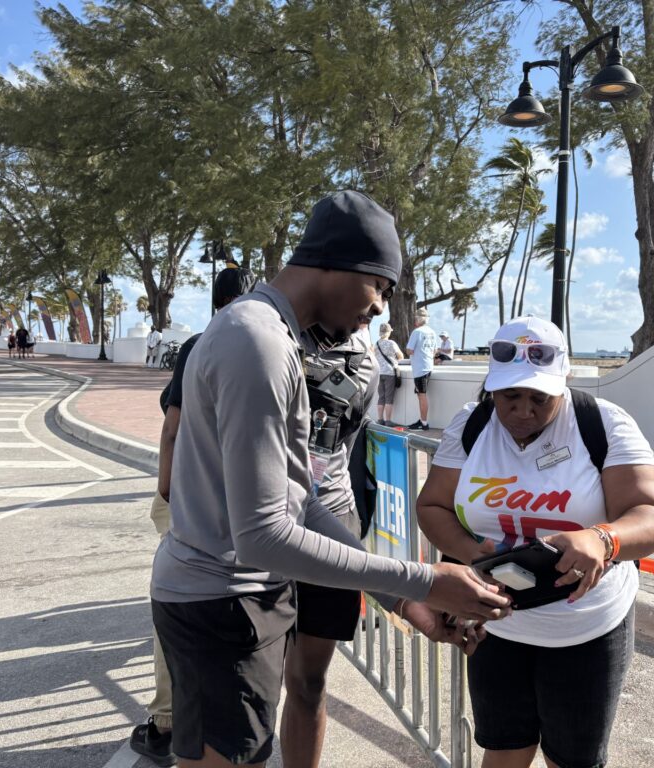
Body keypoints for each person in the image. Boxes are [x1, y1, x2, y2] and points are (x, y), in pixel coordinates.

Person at [149, 190, 509, 768]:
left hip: (229, 598)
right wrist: (423, 579)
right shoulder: (259, 343)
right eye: (381, 288)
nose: (380, 311)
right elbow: (264, 534)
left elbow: (301, 499)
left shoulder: (269, 335)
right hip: (224, 602)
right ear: (342, 264)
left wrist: (403, 595)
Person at [416, 316, 654, 768]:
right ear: (491, 387)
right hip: (497, 623)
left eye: (540, 397)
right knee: (503, 750)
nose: (522, 410)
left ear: (564, 382)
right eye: (509, 396)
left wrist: (603, 538)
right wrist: (469, 550)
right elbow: (432, 506)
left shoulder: (603, 423)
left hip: (586, 629)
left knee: (571, 760)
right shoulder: (471, 424)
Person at [130, 265, 258, 767]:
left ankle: (167, 720)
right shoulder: (273, 346)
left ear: (215, 300)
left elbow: (172, 427)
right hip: (247, 503)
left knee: (179, 600)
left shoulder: (201, 344)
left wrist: (166, 488)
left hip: (194, 498)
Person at [281, 315, 379, 768]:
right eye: (373, 288)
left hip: (331, 515)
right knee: (251, 677)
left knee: (308, 681)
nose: (377, 305)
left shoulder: (365, 359)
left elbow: (347, 443)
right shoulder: (269, 334)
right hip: (259, 517)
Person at [405, 308, 437, 430]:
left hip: (420, 368)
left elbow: (409, 350)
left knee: (422, 395)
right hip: (428, 366)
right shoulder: (432, 332)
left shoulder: (417, 332)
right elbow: (434, 351)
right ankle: (422, 421)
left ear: (418, 319)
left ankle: (424, 423)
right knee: (420, 394)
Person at [374, 322, 403, 427]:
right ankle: (388, 421)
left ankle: (380, 419)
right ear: (388, 332)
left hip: (379, 373)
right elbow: (401, 356)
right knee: (389, 397)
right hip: (389, 373)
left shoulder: (376, 344)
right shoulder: (391, 343)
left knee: (381, 397)